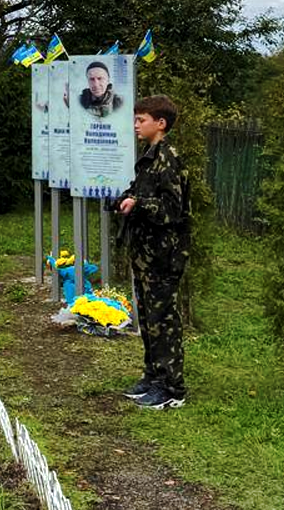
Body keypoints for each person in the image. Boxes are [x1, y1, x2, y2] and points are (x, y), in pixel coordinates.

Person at [114, 95, 191, 410]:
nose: (136, 125)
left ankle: (173, 387)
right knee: (147, 318)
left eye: (141, 120)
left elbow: (173, 208)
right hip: (145, 253)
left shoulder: (168, 158)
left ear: (160, 124)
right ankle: (153, 376)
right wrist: (126, 197)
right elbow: (142, 191)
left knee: (163, 320)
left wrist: (140, 205)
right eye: (135, 119)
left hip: (163, 255)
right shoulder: (149, 156)